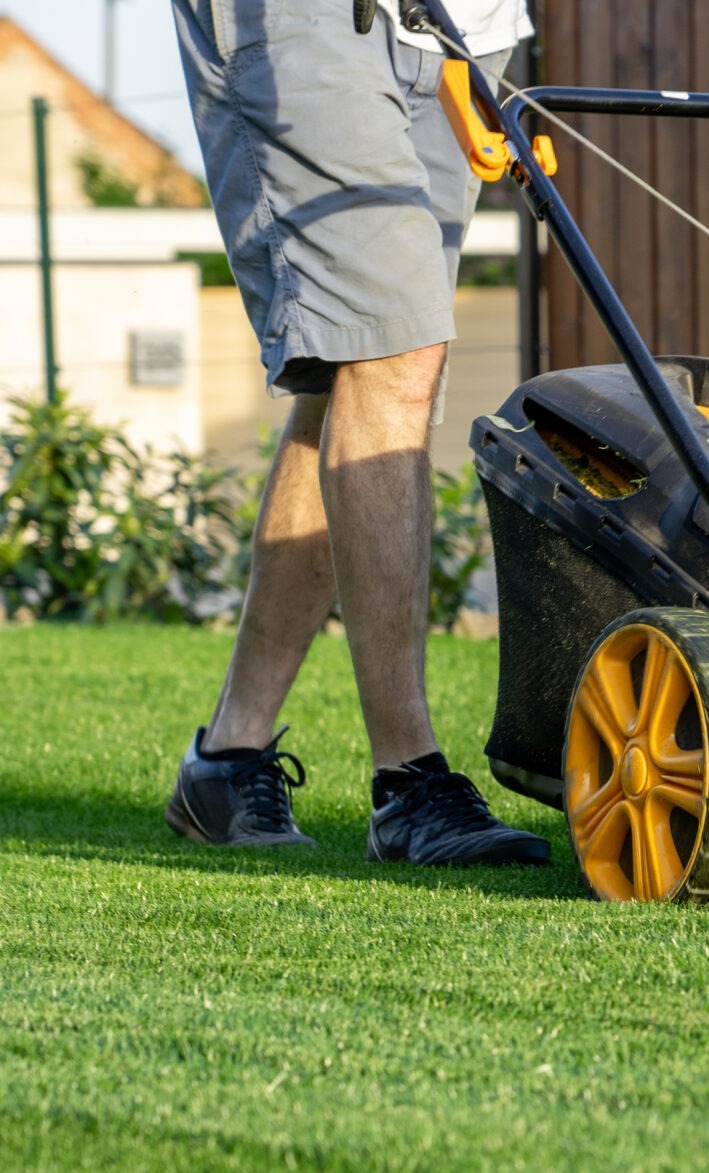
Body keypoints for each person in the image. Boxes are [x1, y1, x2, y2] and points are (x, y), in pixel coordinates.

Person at [164, 0, 548, 866]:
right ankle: (407, 782)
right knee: (395, 353)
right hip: (305, 17)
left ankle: (226, 760)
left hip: (467, 29)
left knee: (358, 363)